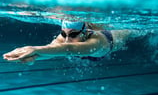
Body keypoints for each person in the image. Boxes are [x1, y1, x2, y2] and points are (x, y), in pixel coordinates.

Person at [3, 19, 133, 64]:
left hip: (115, 36)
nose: (66, 40)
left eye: (73, 35)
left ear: (84, 32)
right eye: (63, 34)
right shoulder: (65, 38)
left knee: (131, 31)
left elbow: (69, 49)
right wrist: (33, 57)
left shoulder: (96, 41)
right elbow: (52, 49)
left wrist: (34, 49)